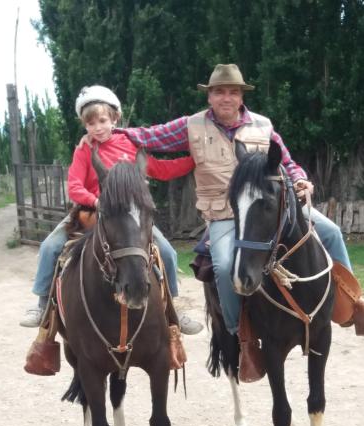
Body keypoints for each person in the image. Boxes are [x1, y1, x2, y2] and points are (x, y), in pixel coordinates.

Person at [88, 63, 363, 346]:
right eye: (219, 92)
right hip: (223, 214)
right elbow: (150, 136)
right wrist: (107, 133)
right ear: (210, 97)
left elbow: (286, 162)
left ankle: (354, 303)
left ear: (241, 97)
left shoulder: (263, 126)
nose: (226, 98)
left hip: (268, 208)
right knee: (223, 266)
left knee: (331, 232)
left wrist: (301, 179)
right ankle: (237, 333)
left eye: (233, 92)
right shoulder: (191, 126)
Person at [20, 85, 203, 338]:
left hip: (128, 215)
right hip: (88, 213)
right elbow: (74, 186)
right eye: (90, 123)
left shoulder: (129, 145)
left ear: (115, 119)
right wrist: (95, 201)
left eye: (102, 120)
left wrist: (196, 160)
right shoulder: (84, 149)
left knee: (168, 253)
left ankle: (172, 308)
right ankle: (42, 304)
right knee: (50, 246)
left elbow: (161, 169)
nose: (97, 127)